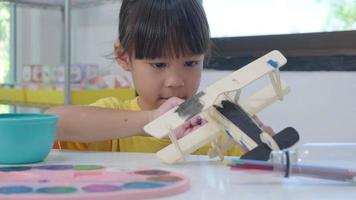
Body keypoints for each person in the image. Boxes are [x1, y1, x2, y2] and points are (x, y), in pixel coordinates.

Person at [47, 0, 271, 155]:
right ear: (124, 57)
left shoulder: (218, 128)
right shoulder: (114, 119)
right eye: (159, 64)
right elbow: (53, 123)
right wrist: (149, 121)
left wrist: (264, 149)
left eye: (190, 63)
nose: (175, 80)